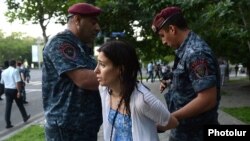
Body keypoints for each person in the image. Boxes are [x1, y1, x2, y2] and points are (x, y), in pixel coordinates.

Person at [152, 6, 221, 141]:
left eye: (162, 36)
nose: (164, 42)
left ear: (172, 29)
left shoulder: (196, 53)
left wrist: (171, 119)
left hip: (196, 134)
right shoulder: (186, 49)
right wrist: (169, 80)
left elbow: (207, 99)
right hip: (185, 131)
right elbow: (188, 77)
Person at [94, 40, 179, 141]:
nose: (96, 70)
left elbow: (173, 122)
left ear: (121, 69)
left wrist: (150, 128)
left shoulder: (142, 99)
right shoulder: (105, 90)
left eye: (102, 65)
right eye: (97, 64)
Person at [42, 2, 103, 141]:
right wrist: (122, 76)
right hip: (67, 130)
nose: (97, 28)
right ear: (77, 20)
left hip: (83, 128)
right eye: (93, 22)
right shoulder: (61, 43)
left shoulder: (80, 47)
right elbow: (84, 79)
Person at [0, 60, 30, 128]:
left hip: (7, 90)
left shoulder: (4, 71)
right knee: (20, 105)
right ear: (14, 64)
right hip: (14, 90)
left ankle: (8, 123)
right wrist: (19, 91)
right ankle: (25, 117)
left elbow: (2, 82)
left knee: (8, 107)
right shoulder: (15, 71)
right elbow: (17, 82)